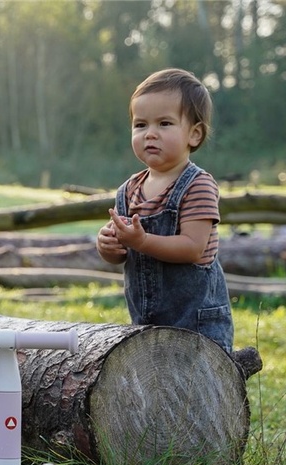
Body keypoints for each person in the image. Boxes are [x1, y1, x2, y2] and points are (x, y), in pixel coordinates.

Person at [96, 68, 233, 354]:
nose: (150, 134)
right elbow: (121, 254)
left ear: (194, 134)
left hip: (197, 329)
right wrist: (109, 246)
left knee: (197, 393)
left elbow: (193, 247)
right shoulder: (128, 191)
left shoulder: (197, 185)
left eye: (165, 124)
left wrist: (142, 241)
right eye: (140, 125)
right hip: (146, 325)